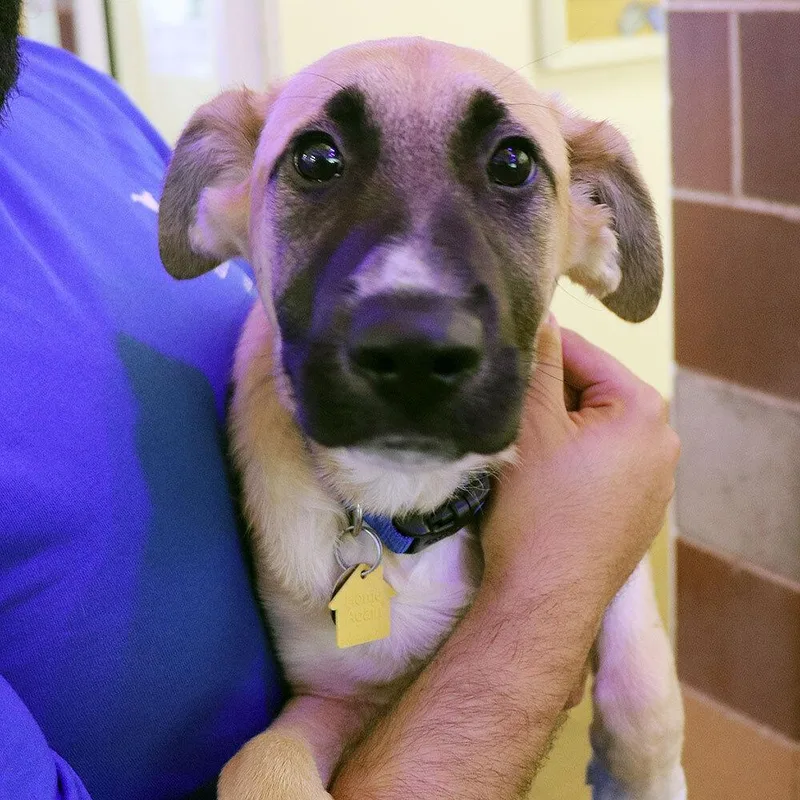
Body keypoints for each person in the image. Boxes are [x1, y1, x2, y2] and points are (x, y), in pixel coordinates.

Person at [0, 6, 679, 799]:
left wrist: (642, 718)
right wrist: (555, 594)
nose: (417, 309)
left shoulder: (67, 90)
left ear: (593, 222)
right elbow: (342, 698)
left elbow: (603, 487)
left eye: (512, 166)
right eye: (318, 163)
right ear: (227, 200)